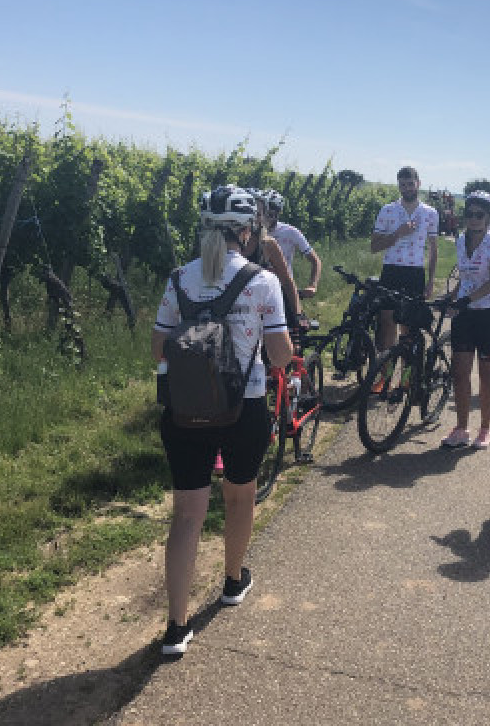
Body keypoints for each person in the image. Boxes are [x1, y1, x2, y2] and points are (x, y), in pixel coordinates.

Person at [152, 186, 293, 654]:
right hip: (243, 406)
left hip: (185, 407)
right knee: (239, 498)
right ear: (246, 232)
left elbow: (159, 348)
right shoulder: (262, 280)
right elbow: (279, 355)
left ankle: (175, 628)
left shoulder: (177, 279)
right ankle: (233, 581)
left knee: (187, 516)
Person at [443, 191, 490, 449]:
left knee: (486, 374)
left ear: (489, 216)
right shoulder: (461, 240)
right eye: (469, 214)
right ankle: (461, 428)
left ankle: (485, 428)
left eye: (479, 215)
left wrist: (465, 300)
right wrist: (451, 297)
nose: (473, 219)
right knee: (459, 374)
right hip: (466, 312)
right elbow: (465, 277)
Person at [370, 167, 439, 352]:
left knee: (409, 327)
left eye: (410, 184)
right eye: (403, 185)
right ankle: (385, 376)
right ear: (398, 186)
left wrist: (431, 281)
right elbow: (374, 246)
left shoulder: (430, 213)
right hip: (391, 270)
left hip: (415, 272)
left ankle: (407, 378)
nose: (407, 188)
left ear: (418, 183)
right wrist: (398, 233)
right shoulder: (387, 210)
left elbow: (433, 249)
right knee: (387, 323)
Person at [242, 189, 303, 329]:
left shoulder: (268, 243)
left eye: (260, 213)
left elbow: (287, 281)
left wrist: (298, 315)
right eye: (253, 212)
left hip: (262, 309)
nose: (256, 217)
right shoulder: (227, 245)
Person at [263, 189, 322, 301]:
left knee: (294, 317)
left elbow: (315, 260)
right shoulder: (251, 231)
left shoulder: (290, 232)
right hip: (258, 288)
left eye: (270, 213)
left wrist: (312, 285)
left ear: (277, 213)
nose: (266, 217)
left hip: (284, 288)